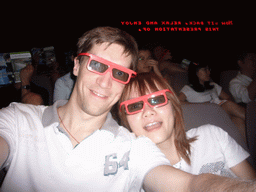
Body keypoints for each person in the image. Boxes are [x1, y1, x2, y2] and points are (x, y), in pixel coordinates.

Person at [0, 27, 255, 192]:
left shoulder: (132, 146)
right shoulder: (19, 120)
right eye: (98, 65)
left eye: (119, 72)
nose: (105, 81)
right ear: (77, 65)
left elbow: (190, 184)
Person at [118, 72, 256, 182]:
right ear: (125, 120)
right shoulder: (131, 177)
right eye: (134, 106)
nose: (148, 111)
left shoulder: (213, 136)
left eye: (157, 99)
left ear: (173, 105)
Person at [178, 62, 247, 140]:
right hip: (206, 116)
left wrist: (219, 103)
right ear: (196, 72)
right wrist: (203, 105)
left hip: (221, 112)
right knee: (228, 105)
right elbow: (178, 102)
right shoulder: (188, 89)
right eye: (205, 70)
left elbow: (228, 98)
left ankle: (246, 150)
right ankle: (251, 117)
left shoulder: (213, 85)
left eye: (209, 69)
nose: (209, 72)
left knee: (239, 121)